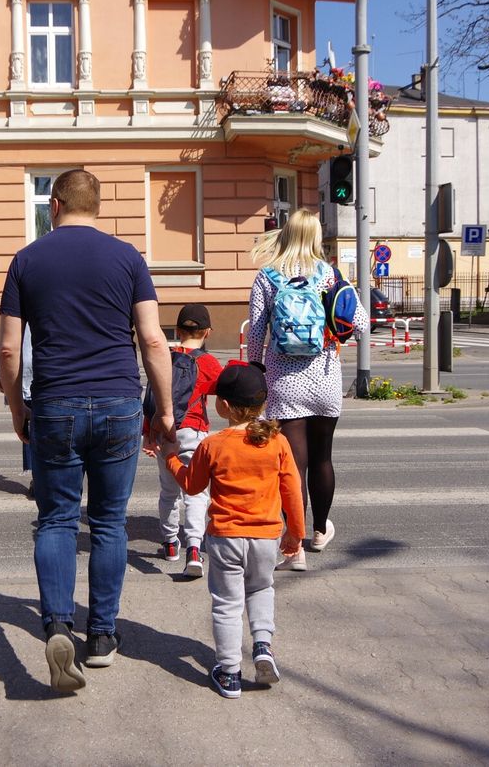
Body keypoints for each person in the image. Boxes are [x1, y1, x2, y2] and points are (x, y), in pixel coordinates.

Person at [0, 168, 175, 693]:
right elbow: (153, 340)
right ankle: (101, 636)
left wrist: (17, 407)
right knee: (109, 523)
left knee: (55, 520)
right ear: (98, 206)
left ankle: (57, 626)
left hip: (55, 404)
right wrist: (164, 410)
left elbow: (8, 349)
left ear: (54, 205)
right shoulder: (128, 258)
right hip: (119, 402)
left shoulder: (27, 260)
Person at [163, 363, 305, 699]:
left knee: (227, 604)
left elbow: (192, 485)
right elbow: (293, 492)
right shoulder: (278, 442)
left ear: (224, 406)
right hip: (267, 537)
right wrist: (296, 533)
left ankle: (229, 673)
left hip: (226, 537)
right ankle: (263, 647)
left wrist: (171, 459)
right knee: (261, 589)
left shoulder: (213, 444)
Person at [246, 209, 368, 570]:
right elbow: (361, 323)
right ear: (315, 236)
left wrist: (256, 368)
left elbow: (256, 331)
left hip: (283, 381)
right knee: (322, 459)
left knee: (292, 467)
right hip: (325, 377)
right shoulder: (329, 275)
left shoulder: (267, 276)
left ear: (286, 234)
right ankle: (319, 531)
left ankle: (294, 547)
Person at [151, 303, 223, 578]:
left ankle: (170, 544)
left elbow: (151, 398)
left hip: (165, 431)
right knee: (195, 492)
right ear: (208, 332)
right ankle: (194, 548)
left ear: (178, 331)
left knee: (168, 490)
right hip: (194, 431)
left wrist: (149, 434)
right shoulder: (208, 362)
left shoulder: (165, 358)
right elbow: (222, 389)